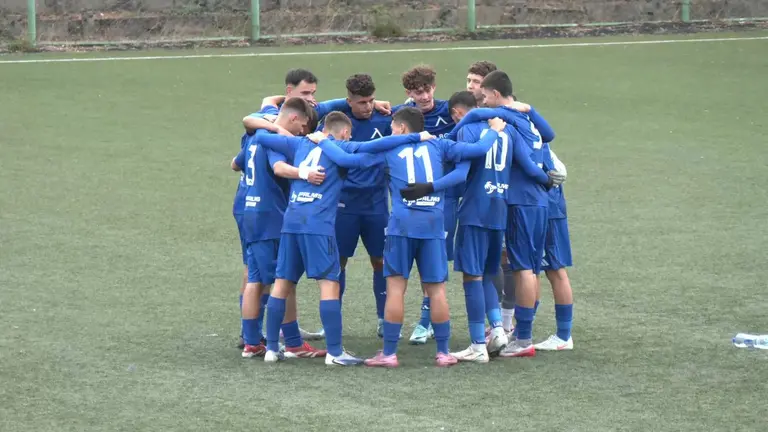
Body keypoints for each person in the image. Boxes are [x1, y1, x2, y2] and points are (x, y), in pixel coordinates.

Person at [325, 107, 505, 367]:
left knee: (396, 288)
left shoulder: (389, 149)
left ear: (401, 128)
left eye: (392, 128)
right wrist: (494, 130)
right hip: (433, 225)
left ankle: (389, 353)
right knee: (436, 290)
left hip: (401, 226)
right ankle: (443, 352)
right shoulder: (440, 145)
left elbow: (348, 159)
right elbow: (478, 150)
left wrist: (323, 141)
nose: (390, 132)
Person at [257, 111, 426, 366]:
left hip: (291, 222)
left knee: (282, 283)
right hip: (318, 224)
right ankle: (335, 353)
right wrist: (415, 137)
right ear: (345, 132)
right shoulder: (342, 146)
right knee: (329, 284)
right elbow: (378, 145)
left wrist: (276, 127)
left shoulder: (299, 143)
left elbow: (261, 137)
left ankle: (271, 348)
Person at [232, 98, 328, 358]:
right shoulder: (275, 140)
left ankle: (252, 342)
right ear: (294, 118)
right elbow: (279, 168)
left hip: (250, 212)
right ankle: (293, 343)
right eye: (303, 126)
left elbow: (235, 164)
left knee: (255, 280)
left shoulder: (255, 136)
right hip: (271, 216)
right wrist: (305, 173)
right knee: (283, 281)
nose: (303, 132)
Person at [393, 65, 459, 344]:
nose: (424, 96)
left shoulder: (449, 111)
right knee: (419, 262)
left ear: (434, 86)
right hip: (413, 201)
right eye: (417, 92)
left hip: (446, 197)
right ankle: (423, 321)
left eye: (428, 89)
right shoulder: (401, 116)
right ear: (408, 93)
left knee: (436, 261)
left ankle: (426, 321)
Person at [332, 74, 393, 336]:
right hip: (343, 204)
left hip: (376, 205)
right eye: (361, 103)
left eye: (371, 101)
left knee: (380, 260)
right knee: (338, 261)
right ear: (349, 101)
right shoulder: (338, 122)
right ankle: (333, 319)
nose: (367, 107)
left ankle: (383, 318)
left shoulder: (386, 119)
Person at [535, 144, 574, 351]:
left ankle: (564, 336)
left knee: (555, 270)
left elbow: (560, 171)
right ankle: (521, 331)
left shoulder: (531, 137)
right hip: (538, 207)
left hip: (548, 209)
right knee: (529, 270)